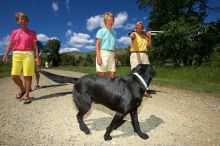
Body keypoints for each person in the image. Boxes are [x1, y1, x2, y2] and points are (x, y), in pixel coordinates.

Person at [2, 12, 40, 104]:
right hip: (16, 54)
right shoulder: (14, 32)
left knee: (27, 75)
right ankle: (22, 89)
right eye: (20, 19)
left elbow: (35, 46)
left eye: (24, 19)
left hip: (28, 54)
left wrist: (37, 58)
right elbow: (10, 45)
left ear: (27, 22)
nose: (22, 21)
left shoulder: (32, 33)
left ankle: (27, 94)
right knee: (14, 76)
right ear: (17, 21)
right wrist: (6, 54)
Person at [129, 21, 152, 97]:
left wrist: (149, 37)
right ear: (135, 28)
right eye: (137, 28)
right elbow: (132, 36)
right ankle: (135, 90)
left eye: (140, 28)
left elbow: (149, 46)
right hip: (135, 54)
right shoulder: (134, 34)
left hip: (144, 54)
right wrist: (132, 35)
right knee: (136, 72)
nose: (139, 29)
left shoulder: (145, 36)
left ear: (143, 28)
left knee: (147, 72)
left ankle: (144, 89)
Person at [96, 12, 118, 78]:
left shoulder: (114, 33)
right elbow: (97, 44)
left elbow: (114, 45)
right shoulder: (101, 31)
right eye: (109, 20)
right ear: (105, 21)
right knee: (102, 77)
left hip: (112, 55)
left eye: (112, 20)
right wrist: (98, 57)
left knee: (112, 76)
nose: (111, 22)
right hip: (103, 54)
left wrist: (116, 57)